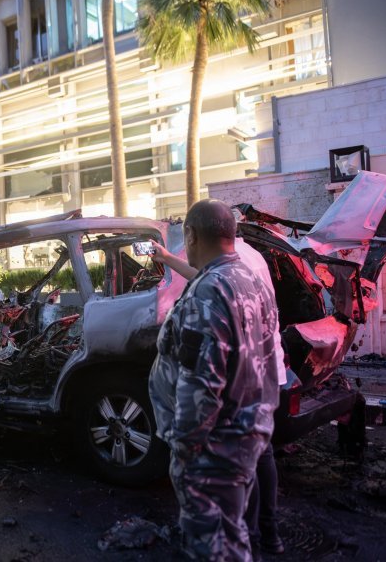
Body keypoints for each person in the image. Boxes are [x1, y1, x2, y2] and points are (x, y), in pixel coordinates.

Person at [148, 199, 281, 561]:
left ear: (190, 234)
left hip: (213, 450)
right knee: (233, 534)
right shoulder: (249, 279)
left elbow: (202, 387)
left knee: (216, 546)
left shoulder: (208, 295)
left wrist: (185, 448)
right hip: (246, 433)